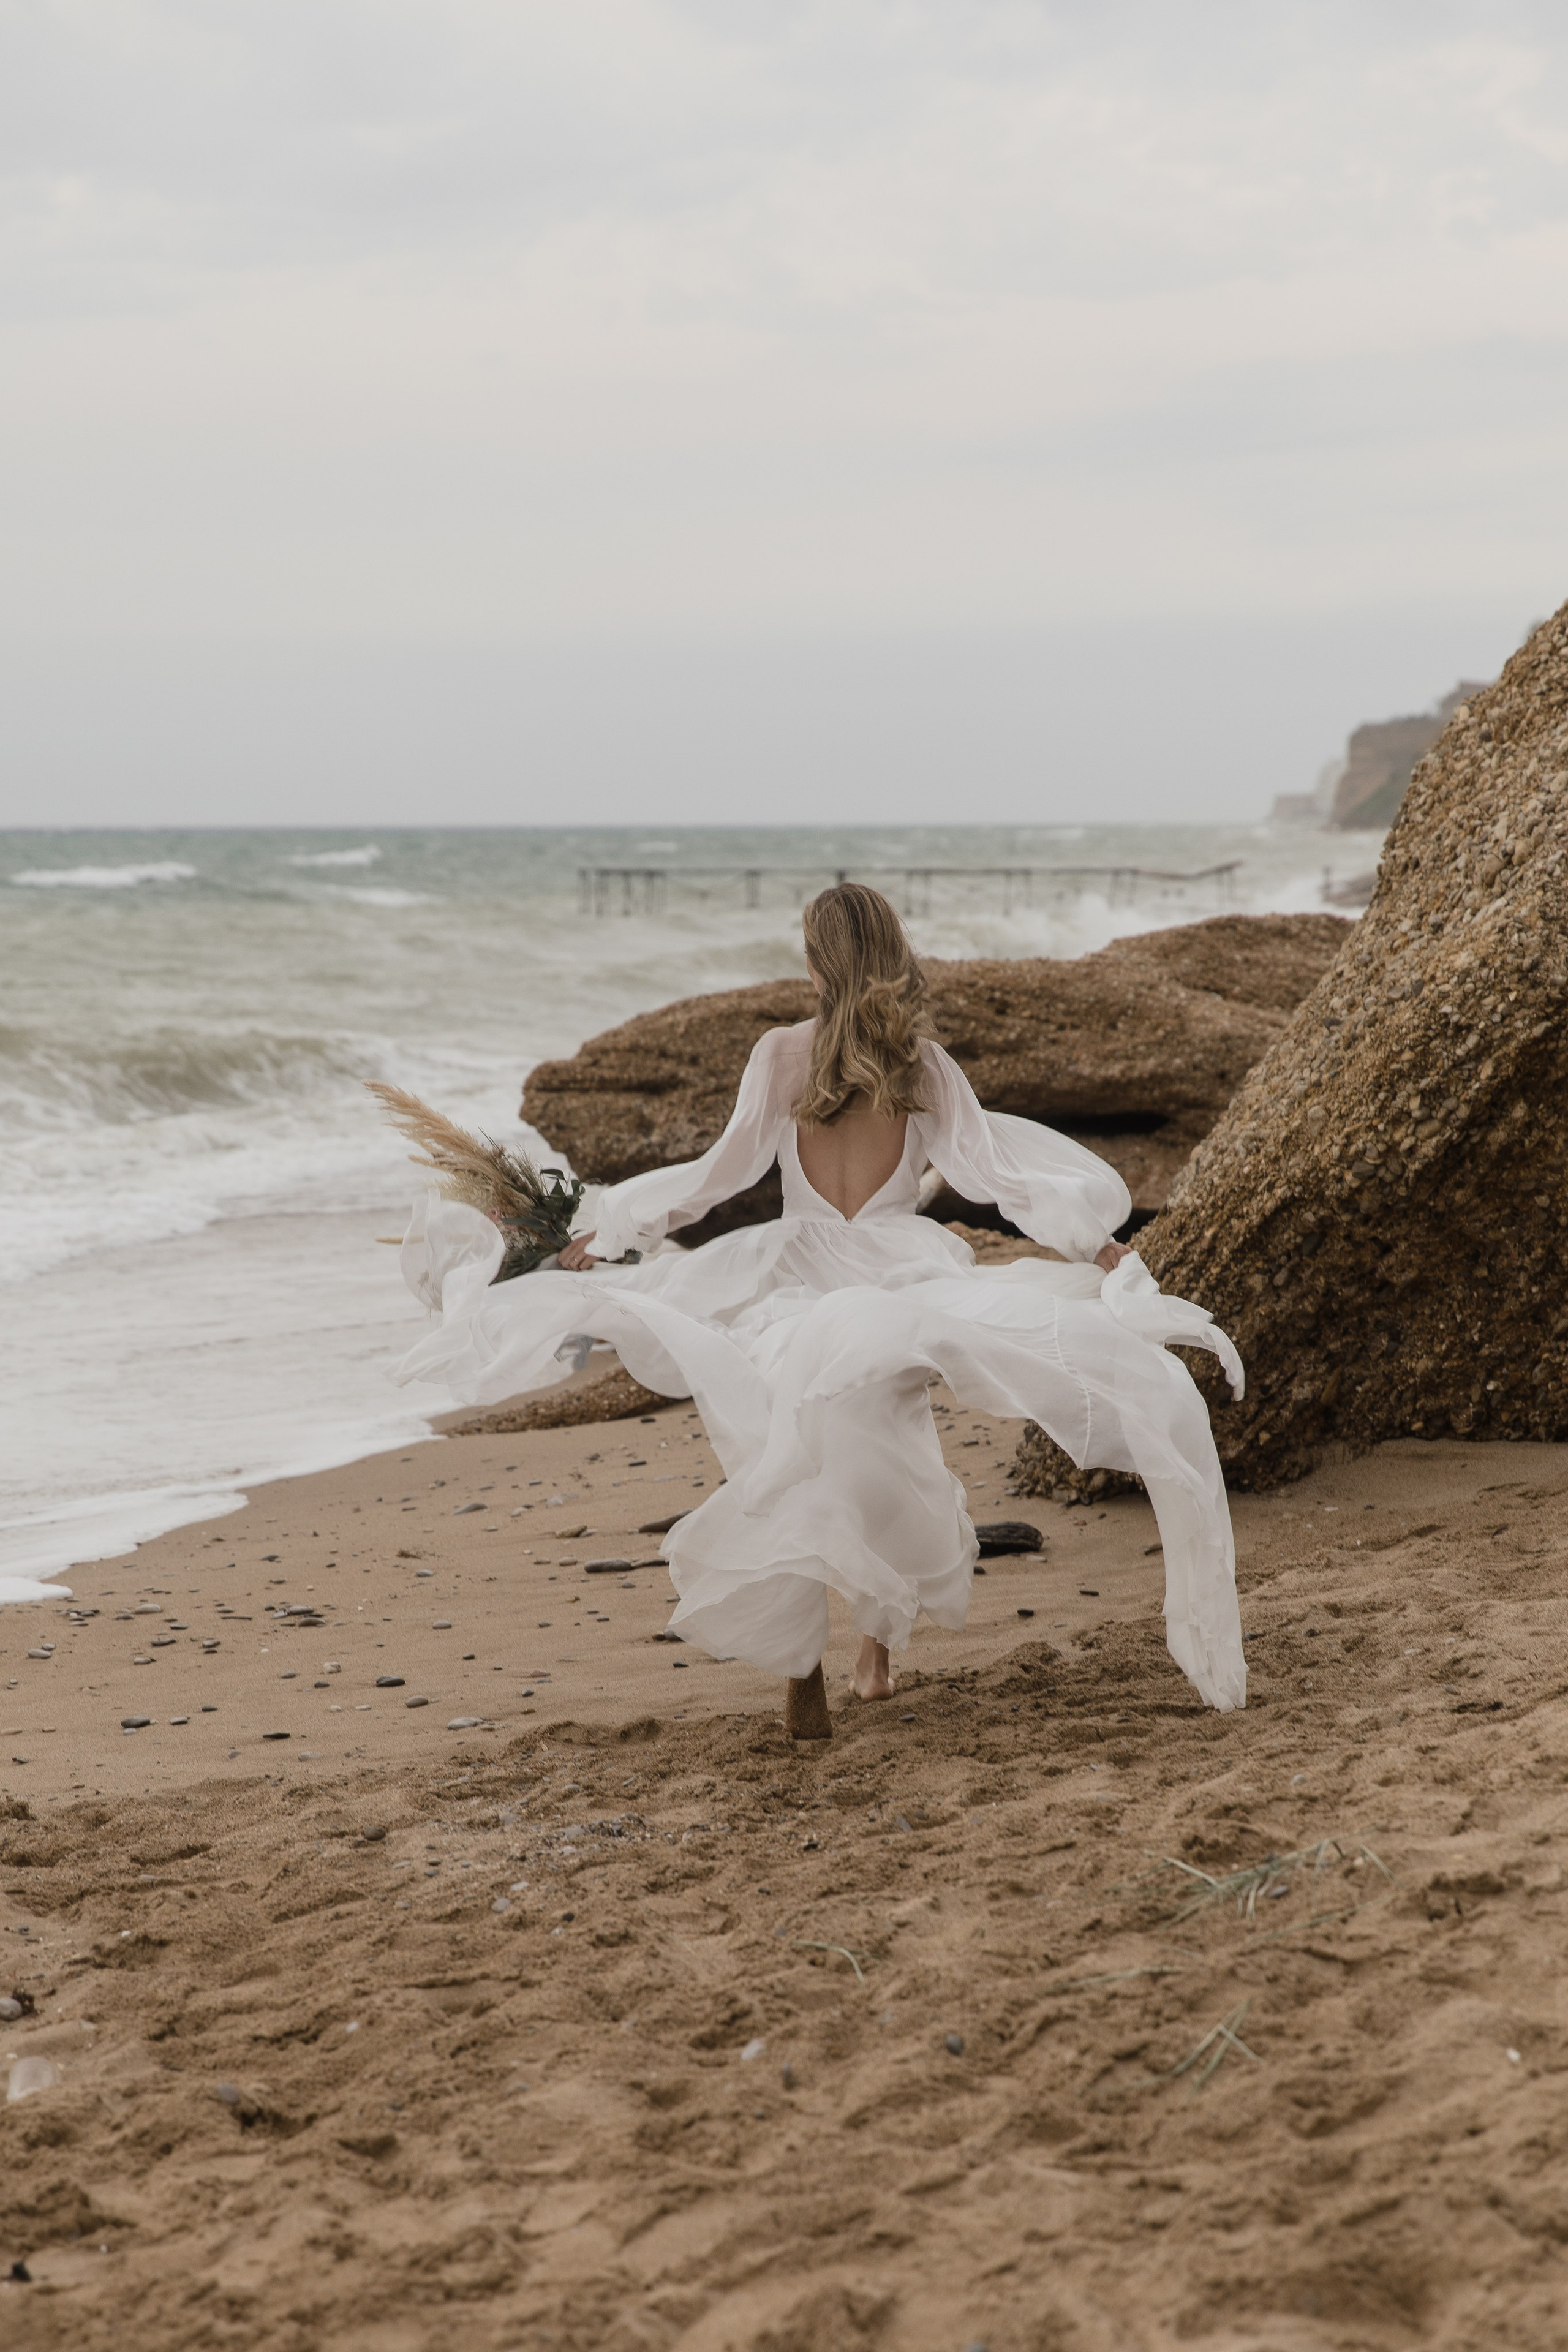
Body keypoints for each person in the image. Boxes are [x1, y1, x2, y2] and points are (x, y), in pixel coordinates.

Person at [396, 883, 1246, 1733]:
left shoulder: (780, 1056)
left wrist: (609, 1232)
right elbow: (1000, 1183)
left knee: (793, 1445)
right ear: (893, 957)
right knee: (892, 1447)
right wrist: (1099, 1247)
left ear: (814, 967)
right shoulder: (925, 1066)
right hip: (897, 1279)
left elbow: (716, 1178)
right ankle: (873, 1659)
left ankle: (805, 1665)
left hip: (792, 1274)